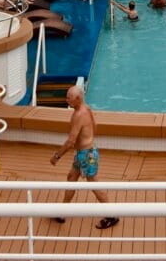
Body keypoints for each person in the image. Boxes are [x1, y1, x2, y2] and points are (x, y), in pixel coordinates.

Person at [49, 85, 119, 230]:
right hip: (84, 153)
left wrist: (57, 156)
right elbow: (95, 126)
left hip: (86, 155)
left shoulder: (79, 115)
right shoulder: (86, 108)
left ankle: (111, 215)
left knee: (94, 184)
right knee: (71, 179)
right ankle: (62, 212)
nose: (66, 100)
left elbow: (70, 141)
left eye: (69, 97)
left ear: (78, 98)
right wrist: (88, 140)